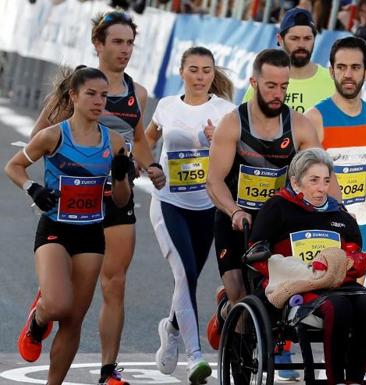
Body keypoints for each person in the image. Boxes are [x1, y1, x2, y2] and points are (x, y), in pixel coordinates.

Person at [30, 11, 166, 385]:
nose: (125, 50)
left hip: (116, 200)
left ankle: (108, 370)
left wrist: (151, 166)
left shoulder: (136, 92)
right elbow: (39, 136)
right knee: (68, 296)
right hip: (73, 204)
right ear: (98, 45)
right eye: (117, 42)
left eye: (130, 43)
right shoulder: (80, 86)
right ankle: (42, 312)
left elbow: (138, 140)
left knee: (115, 282)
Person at [5, 67, 132, 385]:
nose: (98, 101)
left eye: (104, 95)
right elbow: (14, 166)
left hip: (91, 232)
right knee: (58, 304)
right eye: (91, 94)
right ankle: (38, 319)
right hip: (55, 229)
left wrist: (119, 176)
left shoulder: (114, 141)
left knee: (74, 319)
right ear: (73, 96)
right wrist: (33, 189)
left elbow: (120, 200)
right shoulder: (53, 135)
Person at [205, 48, 321, 356]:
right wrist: (234, 210)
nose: (277, 93)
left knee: (275, 296)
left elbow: (319, 176)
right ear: (254, 82)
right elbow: (213, 181)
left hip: (276, 221)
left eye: (284, 87)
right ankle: (234, 336)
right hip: (235, 218)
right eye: (270, 85)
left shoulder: (299, 126)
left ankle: (262, 333)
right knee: (239, 294)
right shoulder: (232, 124)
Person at [144, 47, 236, 384]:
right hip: (168, 202)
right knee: (183, 275)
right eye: (193, 69)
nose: (200, 77)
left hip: (208, 206)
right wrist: (150, 166)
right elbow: (147, 138)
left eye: (206, 70)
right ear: (181, 71)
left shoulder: (226, 111)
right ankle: (195, 357)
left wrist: (220, 142)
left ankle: (170, 328)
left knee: (191, 277)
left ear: (214, 74)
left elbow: (237, 155)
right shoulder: (168, 106)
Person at [249, 148, 366, 385]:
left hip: (337, 282)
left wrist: (354, 261)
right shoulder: (277, 207)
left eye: (327, 181)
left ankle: (355, 380)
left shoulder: (339, 213)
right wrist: (287, 267)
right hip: (298, 284)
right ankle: (336, 380)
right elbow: (255, 251)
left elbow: (357, 253)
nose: (322, 188)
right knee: (336, 306)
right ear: (296, 182)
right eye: (314, 180)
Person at [306, 36, 366, 255]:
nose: (348, 74)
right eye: (341, 67)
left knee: (355, 289)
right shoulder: (315, 118)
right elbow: (300, 178)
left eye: (355, 67)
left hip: (359, 221)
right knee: (321, 289)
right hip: (321, 222)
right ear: (331, 71)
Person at [243, 8, 334, 113]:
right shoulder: (262, 82)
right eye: (294, 38)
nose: (301, 44)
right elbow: (244, 124)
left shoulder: (332, 82)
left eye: (307, 38)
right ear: (280, 40)